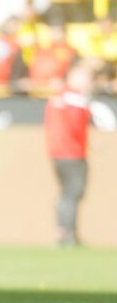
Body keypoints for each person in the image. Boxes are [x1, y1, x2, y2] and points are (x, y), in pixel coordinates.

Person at [44, 64, 93, 246]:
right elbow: (77, 124)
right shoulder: (76, 97)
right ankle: (67, 233)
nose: (88, 82)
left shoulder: (60, 95)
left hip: (57, 151)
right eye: (85, 77)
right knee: (72, 192)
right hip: (72, 152)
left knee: (67, 192)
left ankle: (64, 231)